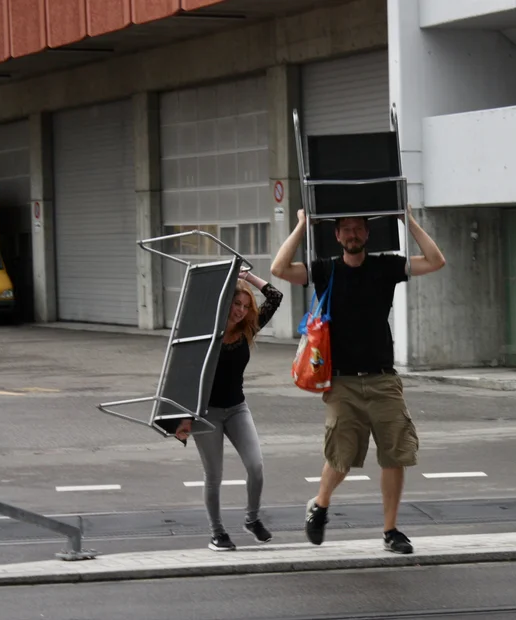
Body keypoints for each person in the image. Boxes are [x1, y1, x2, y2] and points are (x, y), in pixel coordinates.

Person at [270, 206, 445, 554]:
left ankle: (390, 530)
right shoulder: (325, 270)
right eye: (345, 229)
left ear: (367, 234)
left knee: (394, 454)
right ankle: (319, 505)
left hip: (383, 380)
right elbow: (278, 269)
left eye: (358, 229)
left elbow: (435, 260)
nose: (352, 234)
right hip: (341, 383)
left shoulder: (385, 266)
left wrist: (406, 219)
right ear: (337, 236)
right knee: (341, 457)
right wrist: (302, 225)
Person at [174, 270, 283, 552]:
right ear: (226, 303)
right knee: (214, 475)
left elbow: (275, 295)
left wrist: (248, 276)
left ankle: (252, 518)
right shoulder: (205, 333)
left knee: (256, 467)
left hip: (237, 408)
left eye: (246, 307)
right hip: (206, 413)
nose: (242, 311)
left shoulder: (248, 328)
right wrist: (183, 418)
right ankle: (217, 533)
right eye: (237, 305)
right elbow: (185, 375)